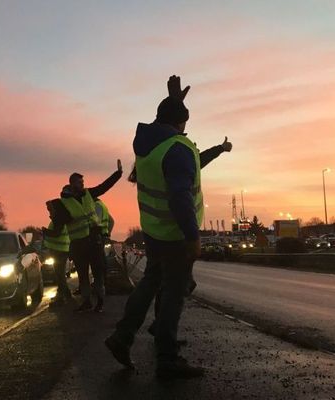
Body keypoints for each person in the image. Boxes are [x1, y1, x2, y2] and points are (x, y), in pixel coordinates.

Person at [105, 75, 232, 379]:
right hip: (176, 235)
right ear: (180, 123)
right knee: (175, 292)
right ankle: (167, 357)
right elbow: (179, 195)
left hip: (153, 231)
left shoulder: (148, 145)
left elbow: (170, 128)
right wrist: (193, 236)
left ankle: (122, 336)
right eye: (184, 123)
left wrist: (176, 100)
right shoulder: (177, 148)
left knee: (150, 283)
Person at [50, 164, 122, 312]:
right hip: (78, 244)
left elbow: (104, 186)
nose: (82, 185)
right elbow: (59, 222)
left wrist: (118, 173)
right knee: (83, 276)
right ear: (71, 184)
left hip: (94, 241)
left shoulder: (88, 194)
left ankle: (100, 302)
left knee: (98, 272)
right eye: (79, 183)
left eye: (83, 183)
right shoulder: (64, 203)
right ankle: (87, 301)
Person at [43, 200, 73, 308]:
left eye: (50, 209)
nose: (49, 211)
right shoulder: (59, 218)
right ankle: (66, 295)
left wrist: (44, 231)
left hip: (59, 250)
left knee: (60, 275)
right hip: (60, 249)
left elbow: (56, 233)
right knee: (60, 275)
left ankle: (62, 297)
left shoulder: (58, 219)